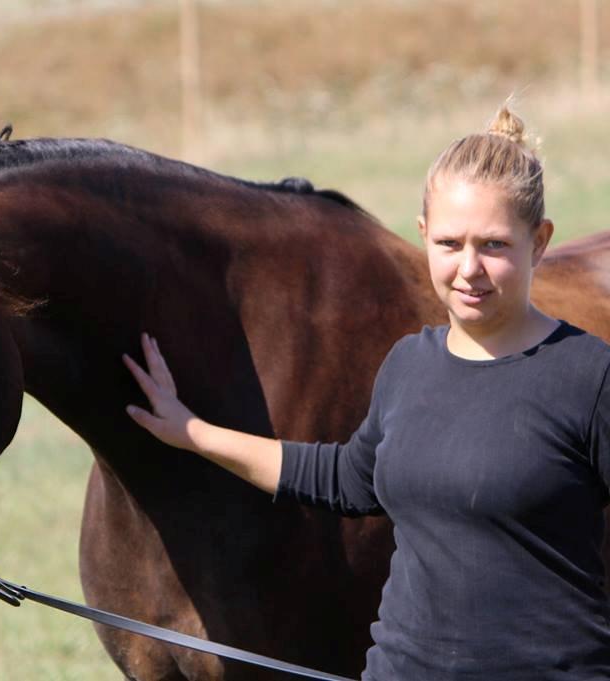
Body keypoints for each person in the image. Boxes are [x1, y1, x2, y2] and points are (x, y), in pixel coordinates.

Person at [122, 105, 610, 680]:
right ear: (424, 235)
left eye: (495, 246)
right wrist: (193, 432)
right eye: (450, 243)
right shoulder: (409, 365)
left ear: (540, 240)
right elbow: (346, 478)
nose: (469, 269)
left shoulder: (589, 375)